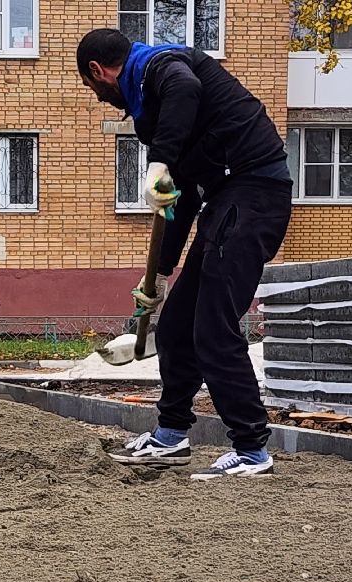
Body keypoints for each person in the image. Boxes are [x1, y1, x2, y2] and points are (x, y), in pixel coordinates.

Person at [77, 28, 293, 479]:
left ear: (98, 72)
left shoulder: (162, 67)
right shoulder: (151, 112)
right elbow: (181, 201)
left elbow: (186, 87)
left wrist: (159, 159)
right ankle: (171, 435)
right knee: (175, 326)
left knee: (214, 328)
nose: (98, 100)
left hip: (255, 194)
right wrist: (158, 275)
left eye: (92, 88)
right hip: (225, 202)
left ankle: (253, 450)